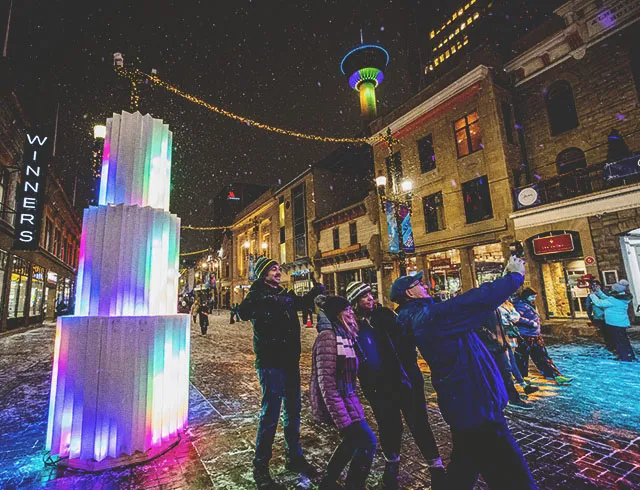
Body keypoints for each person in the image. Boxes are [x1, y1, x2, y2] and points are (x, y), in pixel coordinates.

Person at [393, 257, 538, 490]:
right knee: (511, 474)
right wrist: (513, 278)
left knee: (465, 464)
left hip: (465, 403)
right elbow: (474, 302)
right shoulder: (429, 318)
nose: (426, 286)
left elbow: (474, 310)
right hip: (474, 403)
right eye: (419, 285)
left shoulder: (427, 316)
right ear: (410, 294)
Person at [346, 281, 446, 489]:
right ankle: (391, 466)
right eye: (364, 296)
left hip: (404, 379)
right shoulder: (352, 326)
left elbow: (406, 341)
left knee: (419, 423)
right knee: (390, 426)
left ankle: (436, 467)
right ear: (355, 302)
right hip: (379, 387)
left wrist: (408, 368)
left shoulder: (386, 316)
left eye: (370, 294)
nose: (370, 298)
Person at [238, 256, 323, 490]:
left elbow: (303, 301)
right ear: (264, 273)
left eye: (278, 269)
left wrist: (317, 288)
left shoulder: (285, 294)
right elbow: (243, 312)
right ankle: (260, 467)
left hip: (290, 362)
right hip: (270, 363)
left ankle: (294, 457)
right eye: (273, 269)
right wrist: (260, 294)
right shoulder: (257, 294)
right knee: (270, 415)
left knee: (293, 411)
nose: (278, 272)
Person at [310, 295, 377, 490]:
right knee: (367, 441)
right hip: (339, 403)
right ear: (336, 314)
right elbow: (326, 383)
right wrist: (341, 418)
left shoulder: (347, 335)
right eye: (346, 310)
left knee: (352, 441)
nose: (351, 313)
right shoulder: (328, 338)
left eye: (350, 309)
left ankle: (328, 482)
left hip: (349, 399)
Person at [513, 289, 573, 385]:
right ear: (526, 296)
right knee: (522, 357)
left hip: (535, 334)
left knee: (542, 356)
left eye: (535, 297)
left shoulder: (529, 304)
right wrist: (531, 323)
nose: (534, 298)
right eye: (532, 296)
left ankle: (554, 375)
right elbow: (516, 318)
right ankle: (520, 377)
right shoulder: (520, 305)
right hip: (525, 335)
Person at [478, 308, 533, 411]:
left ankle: (513, 399)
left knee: (506, 373)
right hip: (490, 347)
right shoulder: (481, 308)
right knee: (490, 375)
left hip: (501, 345)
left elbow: (500, 327)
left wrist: (505, 341)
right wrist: (491, 336)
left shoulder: (495, 308)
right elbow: (476, 326)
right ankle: (492, 400)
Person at [588, 280, 636, 361]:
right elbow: (607, 298)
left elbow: (599, 303)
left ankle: (624, 357)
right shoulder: (622, 297)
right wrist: (599, 292)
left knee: (618, 341)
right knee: (624, 340)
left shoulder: (614, 300)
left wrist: (592, 295)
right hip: (621, 322)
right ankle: (630, 355)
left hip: (615, 323)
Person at [498, 301, 539, 395]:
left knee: (510, 361)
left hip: (509, 335)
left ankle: (521, 385)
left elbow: (516, 317)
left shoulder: (508, 304)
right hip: (502, 335)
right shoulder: (496, 305)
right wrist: (510, 317)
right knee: (509, 362)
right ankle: (520, 386)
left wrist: (510, 317)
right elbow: (503, 319)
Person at [586, 280, 615, 353]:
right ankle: (610, 345)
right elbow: (588, 307)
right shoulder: (590, 296)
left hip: (608, 316)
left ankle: (613, 345)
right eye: (594, 286)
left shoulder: (605, 294)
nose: (596, 287)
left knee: (611, 331)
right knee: (605, 332)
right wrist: (591, 317)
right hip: (599, 317)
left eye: (597, 286)